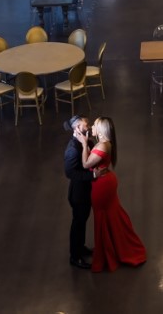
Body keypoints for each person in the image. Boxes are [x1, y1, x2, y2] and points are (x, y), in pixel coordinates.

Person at [77, 116, 147, 272]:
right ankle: (116, 247)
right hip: (105, 182)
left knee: (103, 217)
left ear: (101, 130)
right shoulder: (105, 143)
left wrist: (84, 144)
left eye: (95, 125)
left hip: (101, 186)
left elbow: (86, 164)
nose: (91, 127)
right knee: (110, 216)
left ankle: (108, 253)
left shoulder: (102, 146)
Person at [64, 114, 98, 269]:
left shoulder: (84, 141)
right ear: (77, 128)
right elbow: (70, 173)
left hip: (85, 191)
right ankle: (75, 256)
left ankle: (81, 247)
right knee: (78, 223)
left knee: (83, 221)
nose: (89, 127)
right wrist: (92, 175)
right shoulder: (72, 149)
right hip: (78, 194)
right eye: (86, 125)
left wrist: (87, 143)